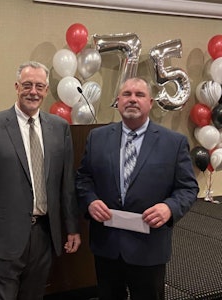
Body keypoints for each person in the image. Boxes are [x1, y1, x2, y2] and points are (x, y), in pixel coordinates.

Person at [76, 77, 199, 300]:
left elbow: (188, 188)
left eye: (139, 95)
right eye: (127, 94)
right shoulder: (97, 138)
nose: (132, 99)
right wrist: (90, 201)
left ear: (150, 102)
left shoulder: (174, 142)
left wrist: (169, 207)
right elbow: (84, 179)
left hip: (149, 247)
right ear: (118, 101)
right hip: (107, 246)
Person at [0, 61, 81, 300]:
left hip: (44, 235)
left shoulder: (59, 128)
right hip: (3, 238)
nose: (33, 91)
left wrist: (72, 228)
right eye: (27, 85)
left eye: (39, 86)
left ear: (47, 90)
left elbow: (66, 185)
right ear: (17, 87)